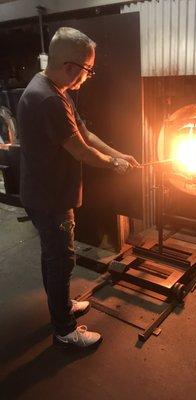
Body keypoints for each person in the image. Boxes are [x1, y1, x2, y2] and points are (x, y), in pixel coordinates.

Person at [17, 27, 139, 349]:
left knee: (56, 258)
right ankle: (65, 329)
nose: (88, 76)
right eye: (88, 69)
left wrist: (117, 154)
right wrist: (113, 166)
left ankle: (62, 307)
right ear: (72, 67)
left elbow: (85, 134)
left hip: (48, 192)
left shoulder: (58, 89)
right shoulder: (46, 99)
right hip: (49, 197)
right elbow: (81, 151)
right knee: (60, 260)